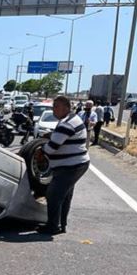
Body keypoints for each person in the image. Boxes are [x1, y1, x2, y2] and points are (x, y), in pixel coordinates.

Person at [39, 96, 90, 235]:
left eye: (56, 106)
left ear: (66, 107)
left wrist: (41, 149)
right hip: (76, 164)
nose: (53, 109)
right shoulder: (71, 119)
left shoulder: (66, 124)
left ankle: (53, 226)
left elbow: (51, 148)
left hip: (70, 166)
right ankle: (61, 225)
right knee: (65, 195)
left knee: (53, 194)